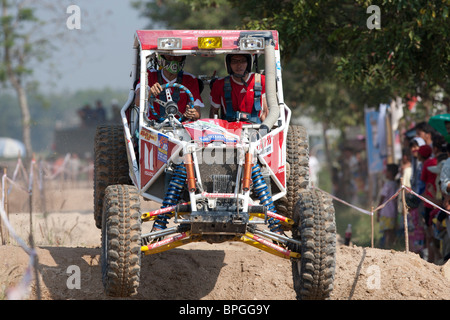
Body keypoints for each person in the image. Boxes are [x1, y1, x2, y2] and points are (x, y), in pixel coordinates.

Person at [135, 54, 203, 121]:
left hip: (181, 126)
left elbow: (197, 113)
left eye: (178, 56)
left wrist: (192, 113)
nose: (173, 59)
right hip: (153, 125)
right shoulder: (149, 75)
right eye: (169, 56)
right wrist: (150, 92)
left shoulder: (190, 79)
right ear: (162, 56)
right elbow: (138, 102)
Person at [209, 54, 268, 123]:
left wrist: (264, 130)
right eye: (234, 61)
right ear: (229, 64)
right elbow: (214, 112)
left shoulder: (261, 80)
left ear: (248, 63)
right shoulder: (219, 84)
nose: (239, 65)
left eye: (243, 61)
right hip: (229, 130)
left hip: (255, 128)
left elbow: (265, 112)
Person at [377, 163, 399, 249]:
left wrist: (378, 208)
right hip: (393, 211)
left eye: (387, 171)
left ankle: (387, 247)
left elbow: (382, 197)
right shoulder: (395, 184)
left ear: (390, 173)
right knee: (391, 231)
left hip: (386, 211)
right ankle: (392, 246)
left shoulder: (387, 184)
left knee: (387, 232)